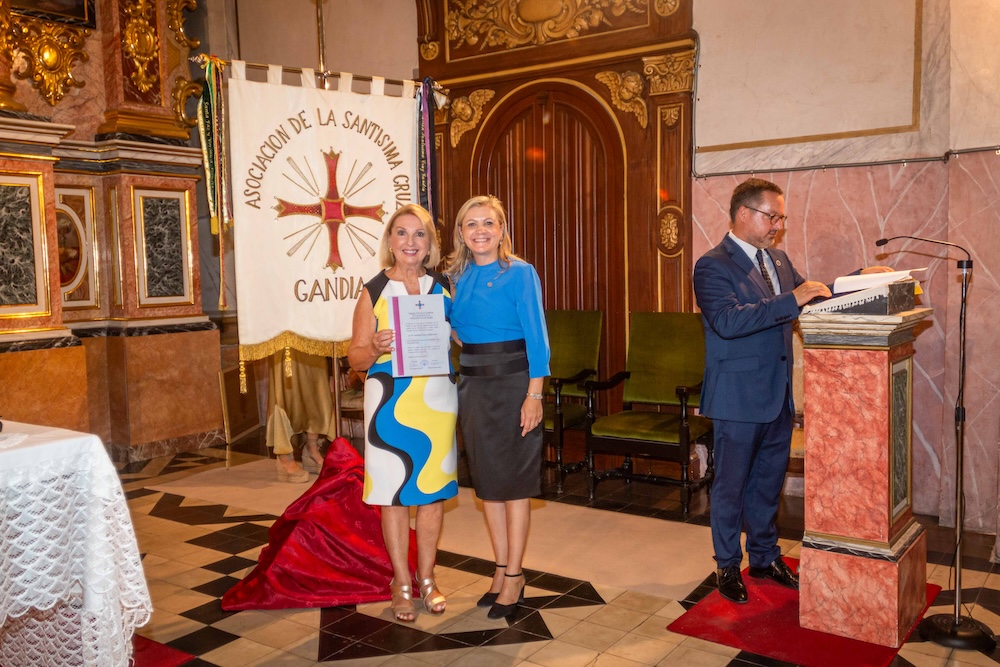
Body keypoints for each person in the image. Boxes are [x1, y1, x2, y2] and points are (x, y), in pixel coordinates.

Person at [693, 178, 890, 604]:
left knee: (767, 485)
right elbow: (728, 321)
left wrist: (859, 280)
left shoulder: (778, 261)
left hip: (777, 396)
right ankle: (727, 565)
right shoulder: (712, 265)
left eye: (781, 218)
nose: (778, 226)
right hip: (737, 399)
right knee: (731, 488)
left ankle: (764, 558)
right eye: (772, 216)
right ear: (743, 213)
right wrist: (792, 299)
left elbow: (811, 298)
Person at [348, 203, 458, 622]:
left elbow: (463, 337)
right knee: (393, 496)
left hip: (437, 402)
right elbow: (355, 357)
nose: (411, 241)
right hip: (390, 403)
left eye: (419, 234)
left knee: (432, 494)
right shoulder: (374, 290)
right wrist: (374, 346)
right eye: (402, 233)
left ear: (430, 244)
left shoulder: (444, 287)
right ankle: (401, 584)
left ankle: (427, 578)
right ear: (390, 241)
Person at [446, 195, 550, 620]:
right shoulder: (457, 275)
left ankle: (515, 575)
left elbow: (537, 337)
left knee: (514, 485)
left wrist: (534, 394)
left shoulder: (520, 273)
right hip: (473, 386)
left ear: (502, 229)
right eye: (471, 224)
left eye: (488, 223)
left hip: (513, 386)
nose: (480, 231)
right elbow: (456, 327)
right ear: (461, 233)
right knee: (488, 485)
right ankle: (501, 568)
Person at [266, 350, 335, 483]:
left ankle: (312, 448)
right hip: (283, 340)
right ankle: (284, 456)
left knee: (315, 384)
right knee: (286, 387)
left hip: (310, 338)